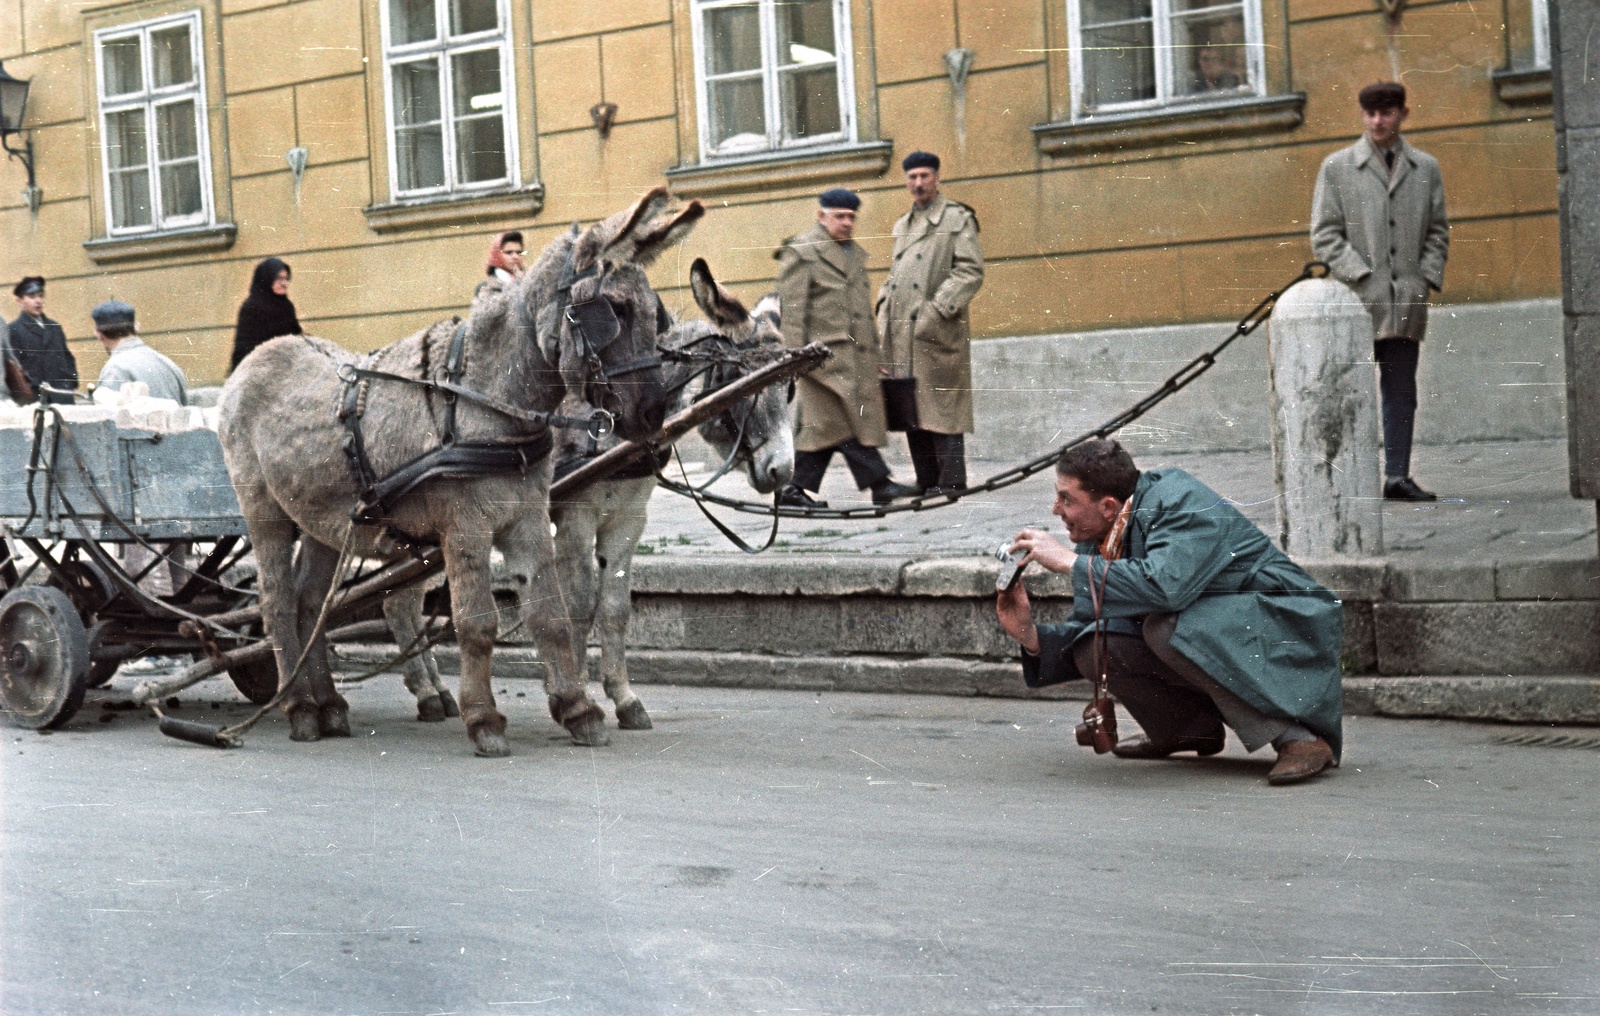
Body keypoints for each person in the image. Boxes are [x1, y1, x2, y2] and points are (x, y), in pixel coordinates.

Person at [996, 439, 1343, 786]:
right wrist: (1029, 635)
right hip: (1227, 629)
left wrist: (1071, 564)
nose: (1056, 509)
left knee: (1166, 628)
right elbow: (1091, 626)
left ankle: (1299, 737)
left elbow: (1166, 589)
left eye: (1066, 499)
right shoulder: (1100, 530)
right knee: (1094, 648)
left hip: (1285, 621)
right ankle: (1186, 731)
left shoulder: (1179, 500)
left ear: (1107, 506)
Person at [1312, 81, 1449, 501]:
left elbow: (1438, 231)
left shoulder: (1424, 168)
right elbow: (1325, 235)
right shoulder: (1337, 167)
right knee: (1348, 390)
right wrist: (1360, 274)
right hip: (1358, 300)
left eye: (1386, 113)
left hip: (1406, 299)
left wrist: (1421, 277)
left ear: (1403, 114)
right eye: (1370, 113)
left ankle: (1396, 476)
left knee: (1401, 392)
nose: (1377, 121)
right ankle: (1342, 478)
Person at [775, 188, 919, 508]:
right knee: (840, 425)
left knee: (825, 429)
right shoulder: (802, 252)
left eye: (851, 217)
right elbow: (793, 313)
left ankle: (794, 490)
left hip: (853, 359)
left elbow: (862, 313)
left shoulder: (852, 254)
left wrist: (877, 356)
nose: (846, 223)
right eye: (839, 216)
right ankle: (880, 484)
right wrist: (795, 359)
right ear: (821, 216)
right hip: (820, 362)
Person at [877, 151, 985, 495]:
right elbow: (896, 277)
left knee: (942, 406)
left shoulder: (956, 219)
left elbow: (970, 271)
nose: (918, 183)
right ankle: (926, 481)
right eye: (912, 177)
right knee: (910, 406)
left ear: (937, 178)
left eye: (925, 176)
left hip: (934, 331)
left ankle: (951, 480)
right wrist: (882, 318)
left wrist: (936, 311)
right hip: (900, 332)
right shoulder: (903, 224)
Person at [92, 300, 188, 405]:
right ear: (136, 327)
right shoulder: (166, 362)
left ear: (99, 335)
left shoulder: (114, 369)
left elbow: (110, 418)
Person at [9, 276, 78, 404]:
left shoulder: (54, 327)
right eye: (32, 297)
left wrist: (70, 382)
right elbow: (14, 366)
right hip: (35, 398)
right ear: (20, 301)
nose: (38, 301)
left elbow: (67, 357)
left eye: (41, 296)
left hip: (62, 394)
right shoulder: (14, 329)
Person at [228, 257, 302, 372]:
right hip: (257, 372)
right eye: (279, 278)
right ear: (266, 279)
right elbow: (244, 348)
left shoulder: (287, 307)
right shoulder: (252, 307)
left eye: (286, 279)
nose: (284, 283)